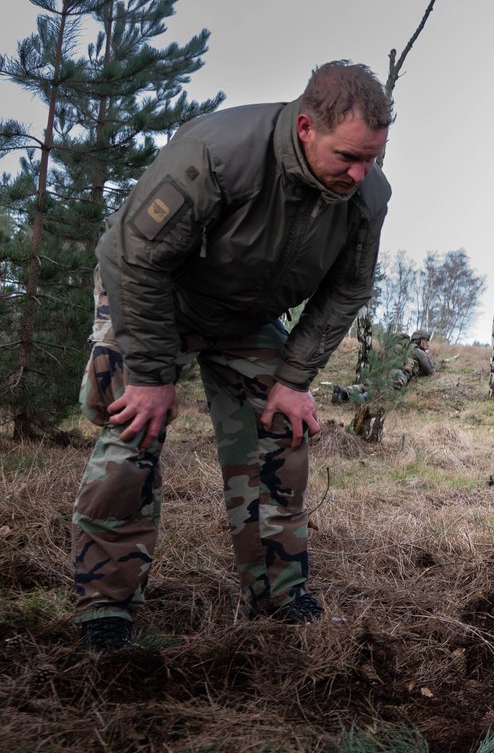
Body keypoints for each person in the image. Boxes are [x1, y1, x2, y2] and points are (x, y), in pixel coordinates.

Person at [71, 61, 393, 652]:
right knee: (132, 435)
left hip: (245, 315)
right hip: (153, 295)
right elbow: (134, 257)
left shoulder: (367, 195)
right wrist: (151, 375)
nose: (361, 173)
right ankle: (106, 605)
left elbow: (348, 289)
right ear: (306, 127)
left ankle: (278, 592)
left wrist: (294, 378)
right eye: (349, 156)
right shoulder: (217, 154)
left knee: (283, 430)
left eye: (372, 158)